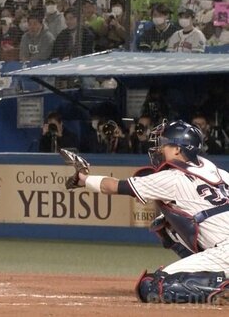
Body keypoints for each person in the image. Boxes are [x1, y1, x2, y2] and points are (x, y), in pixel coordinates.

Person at [67, 120, 229, 304]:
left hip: (225, 251)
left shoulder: (172, 178)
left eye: (164, 144)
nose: (159, 149)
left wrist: (83, 179)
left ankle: (223, 287)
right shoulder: (220, 173)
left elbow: (112, 186)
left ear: (178, 149)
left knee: (152, 287)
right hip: (223, 249)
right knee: (164, 224)